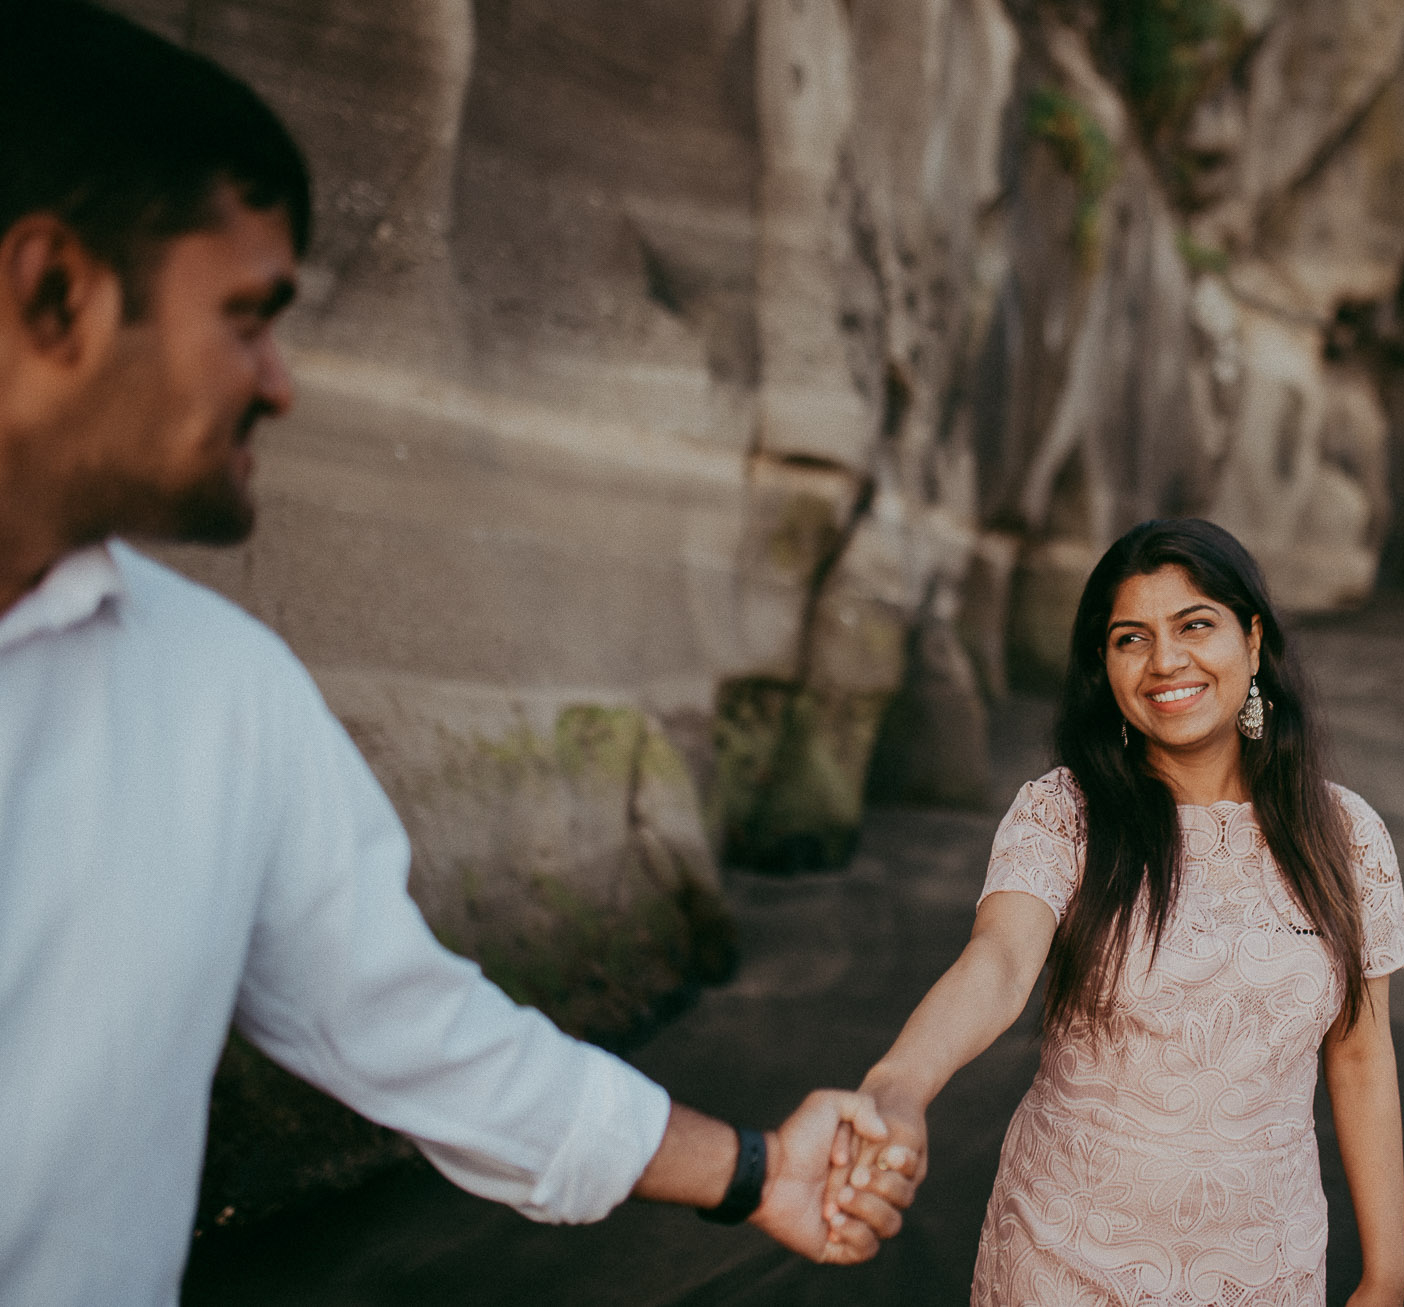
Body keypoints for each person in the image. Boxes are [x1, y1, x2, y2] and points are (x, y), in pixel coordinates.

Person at [0, 4, 915, 1302]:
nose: (283, 381)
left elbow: (415, 1030)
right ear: (54, 293)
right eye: (248, 316)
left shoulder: (222, 691)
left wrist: (758, 1168)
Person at [834, 518, 1404, 1306]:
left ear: (1251, 638)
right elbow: (998, 962)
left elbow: (1359, 1049)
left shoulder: (1344, 834)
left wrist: (1387, 1267)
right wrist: (899, 1082)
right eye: (1130, 638)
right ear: (1103, 666)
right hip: (1065, 1257)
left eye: (1194, 624)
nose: (1165, 661)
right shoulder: (1064, 813)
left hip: (1268, 1266)